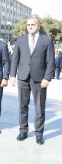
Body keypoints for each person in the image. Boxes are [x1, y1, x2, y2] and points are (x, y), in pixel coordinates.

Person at [10, 17, 55, 145]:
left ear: (38, 26)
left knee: (39, 107)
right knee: (22, 106)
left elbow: (50, 61)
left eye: (33, 25)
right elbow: (15, 58)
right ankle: (23, 131)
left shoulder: (47, 40)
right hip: (23, 77)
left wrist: (47, 78)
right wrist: (12, 75)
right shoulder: (21, 39)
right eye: (28, 25)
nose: (30, 27)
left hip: (39, 79)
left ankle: (39, 134)